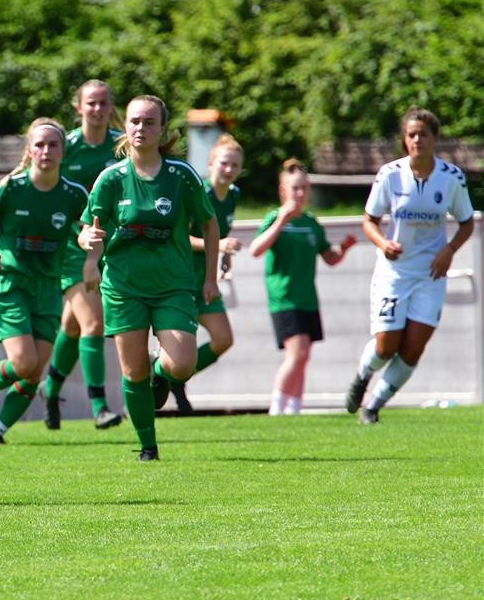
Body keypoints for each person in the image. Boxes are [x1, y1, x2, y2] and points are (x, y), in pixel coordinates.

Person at [78, 95, 219, 461]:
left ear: (162, 130)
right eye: (135, 121)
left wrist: (210, 277)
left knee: (181, 364)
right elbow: (90, 227)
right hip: (124, 287)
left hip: (172, 284)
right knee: (132, 369)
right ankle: (147, 445)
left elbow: (209, 223)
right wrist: (89, 254)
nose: (141, 128)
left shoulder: (180, 175)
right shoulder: (111, 178)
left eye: (149, 122)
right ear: (126, 126)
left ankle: (162, 373)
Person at [0, 117, 90, 445]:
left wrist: (90, 248)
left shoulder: (73, 194)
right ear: (29, 151)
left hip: (48, 287)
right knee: (23, 361)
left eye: (53, 144)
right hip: (11, 283)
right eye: (40, 144)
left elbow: (90, 226)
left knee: (33, 372)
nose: (47, 150)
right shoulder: (12, 187)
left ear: (63, 150)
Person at [344, 107, 474, 424]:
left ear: (434, 138)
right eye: (411, 134)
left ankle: (373, 407)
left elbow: (467, 223)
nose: (417, 140)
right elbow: (369, 220)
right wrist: (382, 242)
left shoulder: (452, 177)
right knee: (387, 346)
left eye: (423, 134)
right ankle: (362, 375)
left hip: (430, 274)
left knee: (413, 348)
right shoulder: (390, 175)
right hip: (395, 273)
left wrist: (449, 250)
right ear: (405, 139)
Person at [37, 80, 124, 430]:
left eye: (104, 102)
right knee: (93, 323)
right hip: (72, 247)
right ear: (79, 107)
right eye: (91, 103)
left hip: (111, 245)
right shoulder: (65, 146)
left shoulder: (120, 143)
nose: (98, 109)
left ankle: (50, 388)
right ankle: (100, 406)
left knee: (72, 328)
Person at [249, 159, 356, 416]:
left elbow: (329, 257)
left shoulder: (310, 223)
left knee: (304, 356)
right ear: (282, 190)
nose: (300, 194)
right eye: (295, 188)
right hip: (284, 298)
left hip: (308, 298)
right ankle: (277, 408)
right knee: (297, 353)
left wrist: (343, 248)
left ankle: (294, 409)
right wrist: (280, 222)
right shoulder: (275, 218)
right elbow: (256, 249)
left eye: (304, 188)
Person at [164, 133, 245, 412]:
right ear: (210, 164)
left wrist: (223, 256)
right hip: (185, 276)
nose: (229, 170)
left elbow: (221, 233)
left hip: (207, 277)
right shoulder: (199, 192)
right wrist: (218, 244)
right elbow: (182, 237)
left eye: (235, 165)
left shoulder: (233, 195)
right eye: (224, 163)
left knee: (223, 339)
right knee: (180, 344)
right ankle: (165, 373)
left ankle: (172, 379)